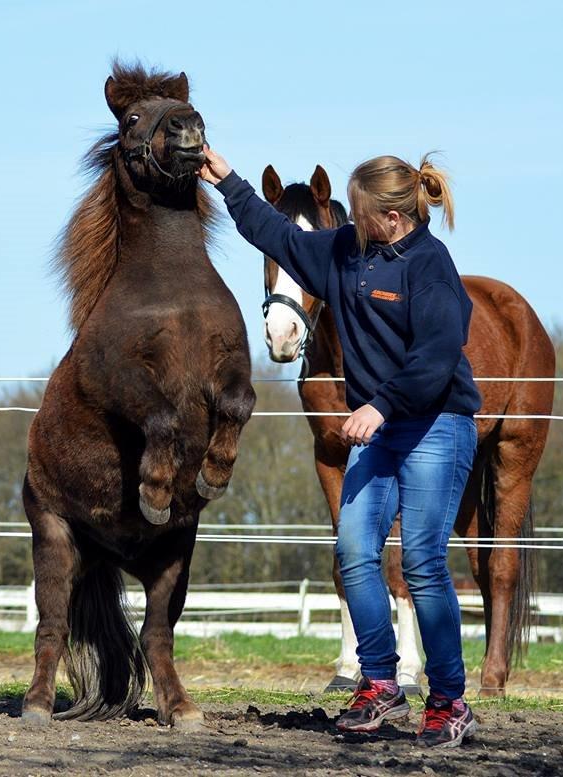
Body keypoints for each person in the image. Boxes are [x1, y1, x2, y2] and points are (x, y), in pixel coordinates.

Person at [198, 148, 482, 749]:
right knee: (354, 551)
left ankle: (449, 700)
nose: (347, 221)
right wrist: (227, 181)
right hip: (377, 430)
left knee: (424, 565)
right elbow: (274, 231)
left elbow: (436, 354)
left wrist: (379, 405)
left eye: (357, 209)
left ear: (393, 215)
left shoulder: (430, 266)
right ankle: (379, 682)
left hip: (434, 423)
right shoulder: (344, 254)